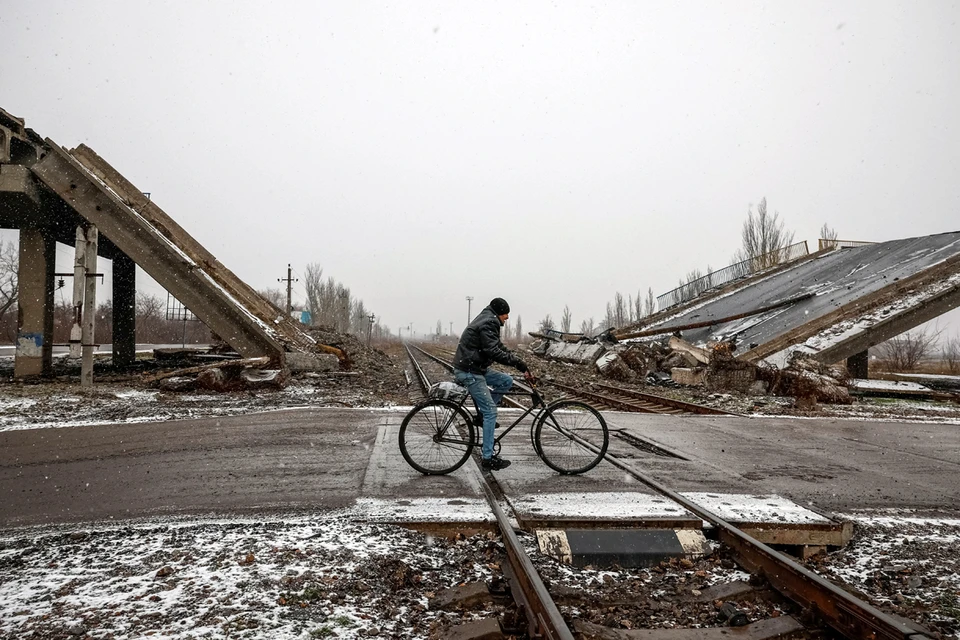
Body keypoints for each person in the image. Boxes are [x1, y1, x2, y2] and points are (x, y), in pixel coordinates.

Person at [452, 297, 534, 471]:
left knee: (506, 381)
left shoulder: (487, 318)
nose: (507, 318)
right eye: (506, 314)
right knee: (491, 411)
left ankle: (482, 416)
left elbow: (497, 346)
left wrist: (517, 361)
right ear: (500, 313)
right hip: (470, 370)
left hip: (475, 367)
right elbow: (493, 351)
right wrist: (517, 363)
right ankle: (487, 458)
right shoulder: (490, 322)